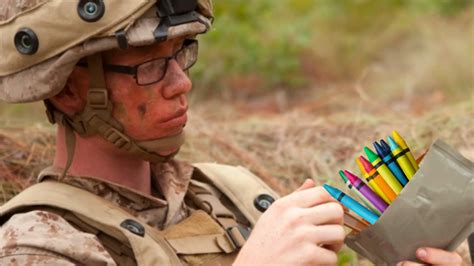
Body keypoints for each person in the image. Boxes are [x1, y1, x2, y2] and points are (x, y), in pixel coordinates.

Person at [0, 0, 469, 265]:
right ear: (67, 90)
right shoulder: (36, 246)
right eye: (149, 66)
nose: (181, 82)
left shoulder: (231, 193)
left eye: (182, 52)